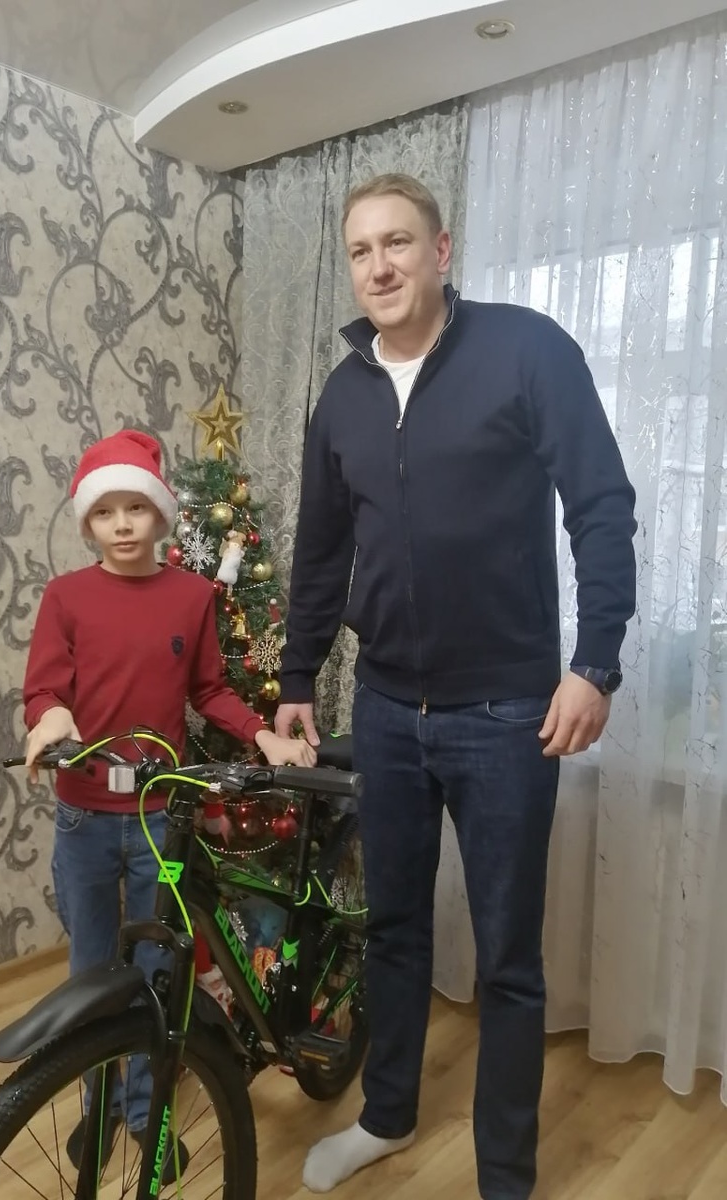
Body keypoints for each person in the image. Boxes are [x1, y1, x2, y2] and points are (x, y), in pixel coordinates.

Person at [275, 173, 636, 1199]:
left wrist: (594, 663)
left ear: (441, 251)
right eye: (361, 251)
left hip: (509, 710)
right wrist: (298, 674)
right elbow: (322, 550)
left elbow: (601, 504)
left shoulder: (526, 350)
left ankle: (504, 1177)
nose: (379, 265)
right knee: (391, 929)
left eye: (398, 242)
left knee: (507, 959)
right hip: (387, 708)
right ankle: (386, 1115)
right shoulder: (343, 394)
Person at [23, 429, 314, 1177]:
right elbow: (46, 688)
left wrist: (264, 736)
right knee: (92, 970)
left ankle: (146, 1114)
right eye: (104, 512)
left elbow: (209, 690)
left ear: (159, 514)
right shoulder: (66, 597)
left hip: (160, 816)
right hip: (85, 817)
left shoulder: (191, 596)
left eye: (136, 508)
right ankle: (98, 1109)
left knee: (158, 968)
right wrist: (50, 718)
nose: (121, 525)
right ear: (88, 522)